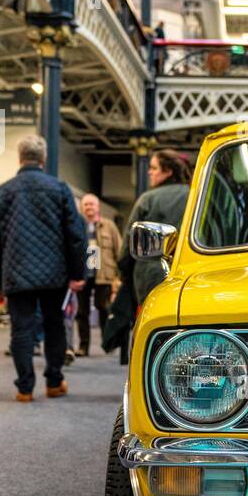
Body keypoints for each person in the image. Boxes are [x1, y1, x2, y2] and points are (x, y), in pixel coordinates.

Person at [0, 134, 87, 402]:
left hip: (16, 273)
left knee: (21, 329)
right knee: (54, 326)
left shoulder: (1, 192)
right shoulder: (60, 189)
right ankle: (54, 382)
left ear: (19, 158)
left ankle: (24, 388)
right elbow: (75, 235)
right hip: (54, 274)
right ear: (43, 159)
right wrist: (78, 273)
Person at [124, 148, 191, 305]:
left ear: (167, 171)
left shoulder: (148, 199)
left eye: (154, 168)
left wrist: (123, 272)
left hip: (151, 275)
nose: (149, 172)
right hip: (190, 271)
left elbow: (129, 240)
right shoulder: (196, 195)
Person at [76, 193, 122, 356]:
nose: (88, 207)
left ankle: (107, 343)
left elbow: (119, 250)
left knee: (103, 307)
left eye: (91, 204)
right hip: (82, 274)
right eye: (86, 204)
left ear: (98, 207)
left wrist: (119, 277)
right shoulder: (76, 225)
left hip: (104, 275)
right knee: (81, 312)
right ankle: (83, 346)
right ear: (82, 207)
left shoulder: (109, 226)